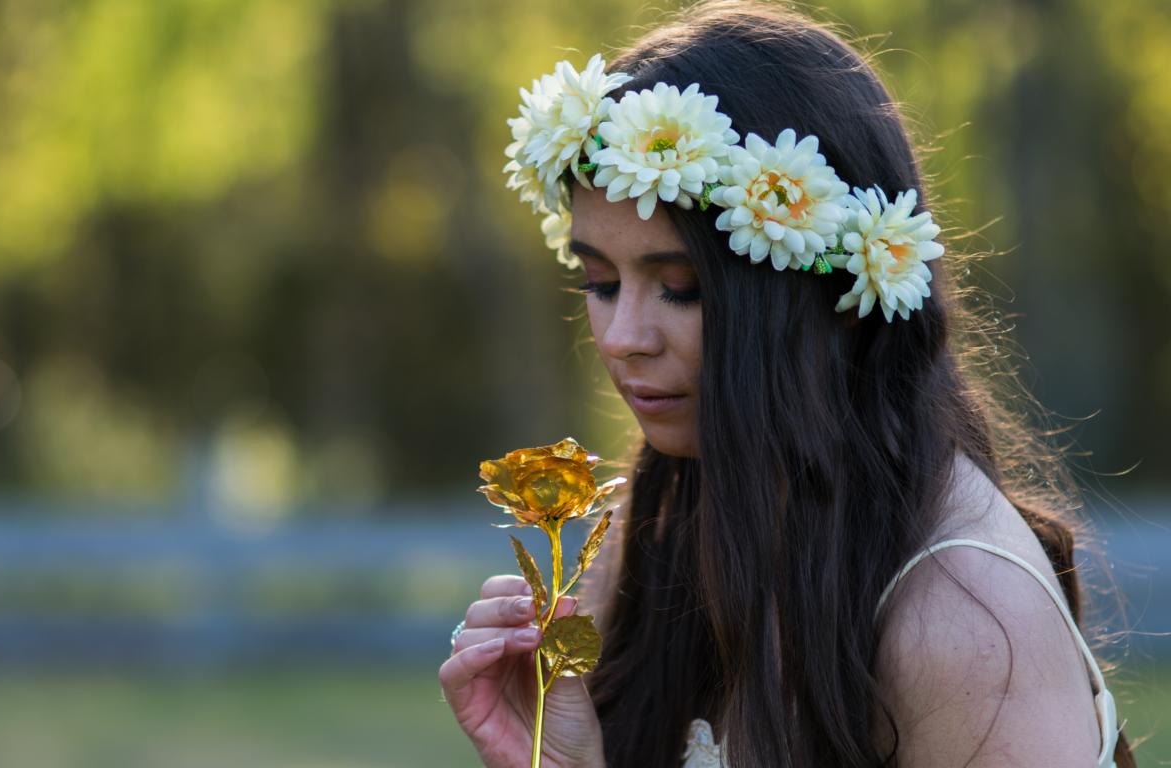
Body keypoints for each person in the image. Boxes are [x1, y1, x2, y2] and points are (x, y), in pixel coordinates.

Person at [438, 1, 1136, 765]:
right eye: (599, 282)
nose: (622, 337)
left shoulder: (966, 625)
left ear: (833, 289)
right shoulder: (659, 532)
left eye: (682, 288)